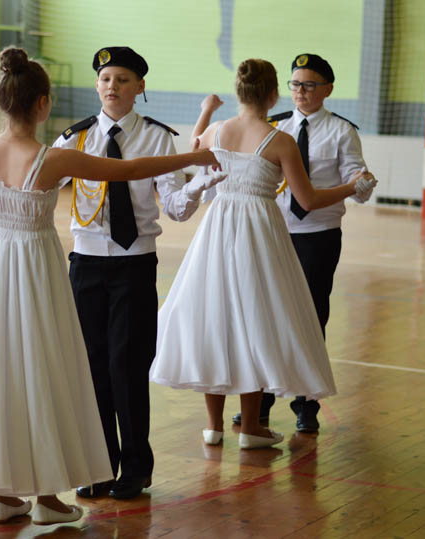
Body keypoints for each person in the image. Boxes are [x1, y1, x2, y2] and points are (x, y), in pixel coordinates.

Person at [0, 47, 219, 525]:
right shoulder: (56, 156)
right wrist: (198, 155)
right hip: (38, 272)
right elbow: (127, 171)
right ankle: (44, 496)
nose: (111, 85)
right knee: (45, 372)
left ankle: (6, 494)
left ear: (1, 102)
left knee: (0, 374)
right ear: (43, 104)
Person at [149, 58, 376, 449]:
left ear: (239, 92)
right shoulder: (280, 140)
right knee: (257, 319)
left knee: (215, 318)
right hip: (259, 233)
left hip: (218, 229)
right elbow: (308, 197)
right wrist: (351, 188)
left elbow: (195, 143)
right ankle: (252, 426)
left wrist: (206, 111)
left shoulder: (218, 132)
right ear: (273, 95)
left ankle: (213, 426)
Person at [54, 46, 224, 500]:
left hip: (133, 263)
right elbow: (37, 180)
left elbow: (173, 208)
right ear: (97, 85)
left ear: (140, 87)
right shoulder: (75, 138)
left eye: (124, 79)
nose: (113, 87)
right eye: (106, 78)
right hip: (86, 263)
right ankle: (98, 464)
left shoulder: (155, 138)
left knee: (126, 365)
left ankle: (136, 466)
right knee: (91, 368)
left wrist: (198, 186)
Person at [228, 53, 377, 433]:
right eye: (295, 84)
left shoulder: (342, 131)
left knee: (311, 316)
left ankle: (305, 404)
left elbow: (356, 185)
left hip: (318, 237)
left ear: (327, 89)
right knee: (262, 315)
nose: (301, 92)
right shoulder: (272, 128)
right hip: (272, 232)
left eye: (310, 85)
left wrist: (360, 180)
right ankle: (256, 403)